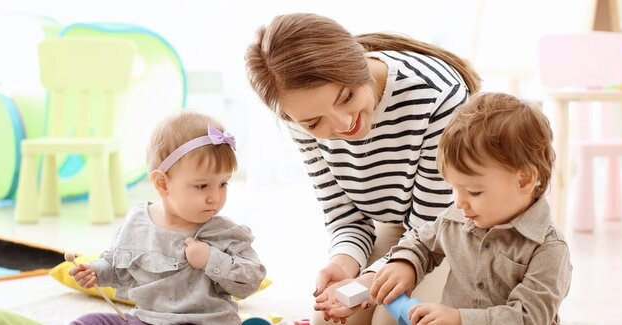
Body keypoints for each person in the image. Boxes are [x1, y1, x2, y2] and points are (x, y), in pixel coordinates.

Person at [245, 13, 481, 324]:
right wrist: (344, 263)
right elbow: (345, 216)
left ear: (359, 63)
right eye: (315, 123)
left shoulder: (435, 95)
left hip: (454, 230)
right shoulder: (301, 119)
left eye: (346, 97)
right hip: (399, 225)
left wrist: (371, 279)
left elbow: (431, 227)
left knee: (390, 317)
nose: (343, 125)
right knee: (328, 318)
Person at [369, 92, 572, 324]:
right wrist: (406, 263)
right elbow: (421, 242)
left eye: (474, 192)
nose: (458, 202)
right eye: (454, 188)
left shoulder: (548, 249)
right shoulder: (456, 218)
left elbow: (529, 317)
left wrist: (460, 319)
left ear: (524, 180)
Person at [68, 112, 266, 325]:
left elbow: (251, 280)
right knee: (89, 321)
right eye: (202, 186)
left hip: (205, 322)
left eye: (223, 184)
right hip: (148, 320)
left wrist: (211, 259)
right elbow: (116, 265)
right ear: (163, 184)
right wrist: (97, 271)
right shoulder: (138, 222)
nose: (215, 198)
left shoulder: (223, 232)